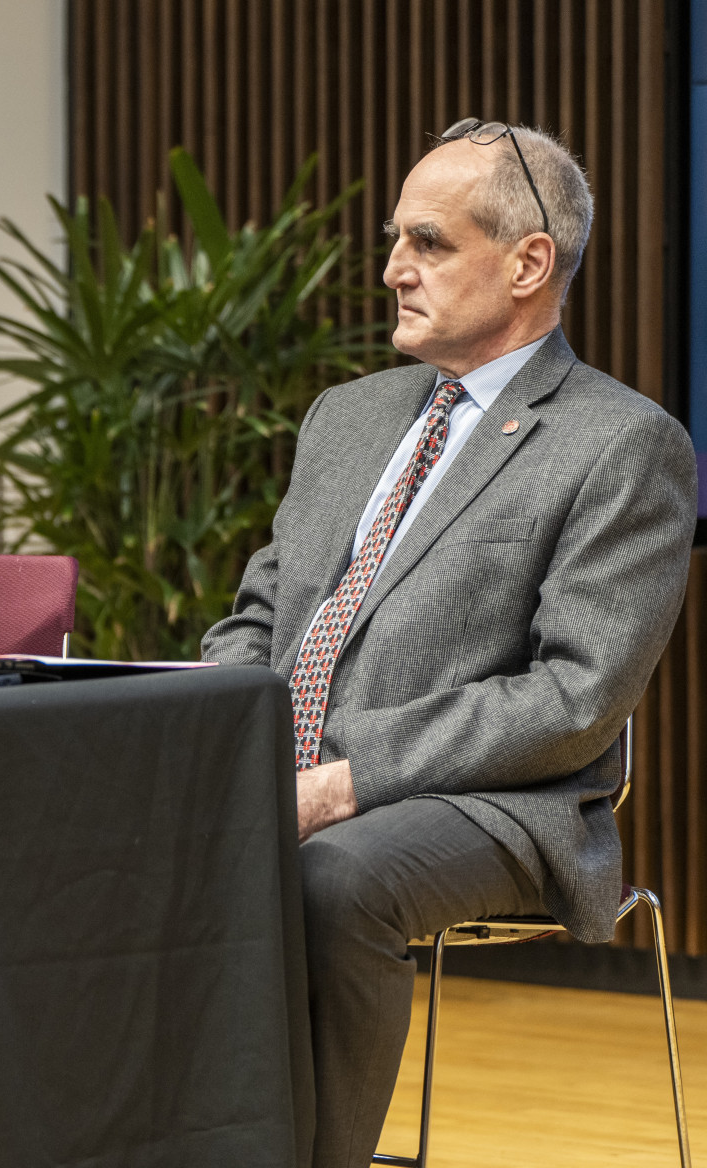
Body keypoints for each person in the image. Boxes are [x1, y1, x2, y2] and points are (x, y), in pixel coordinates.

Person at [202, 120, 696, 1167]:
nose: (391, 269)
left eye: (426, 242)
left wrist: (347, 779)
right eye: (396, 240)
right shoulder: (345, 416)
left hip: (498, 801)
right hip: (288, 773)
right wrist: (188, 726)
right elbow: (263, 616)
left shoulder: (624, 444)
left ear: (528, 263)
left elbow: (573, 697)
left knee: (332, 878)